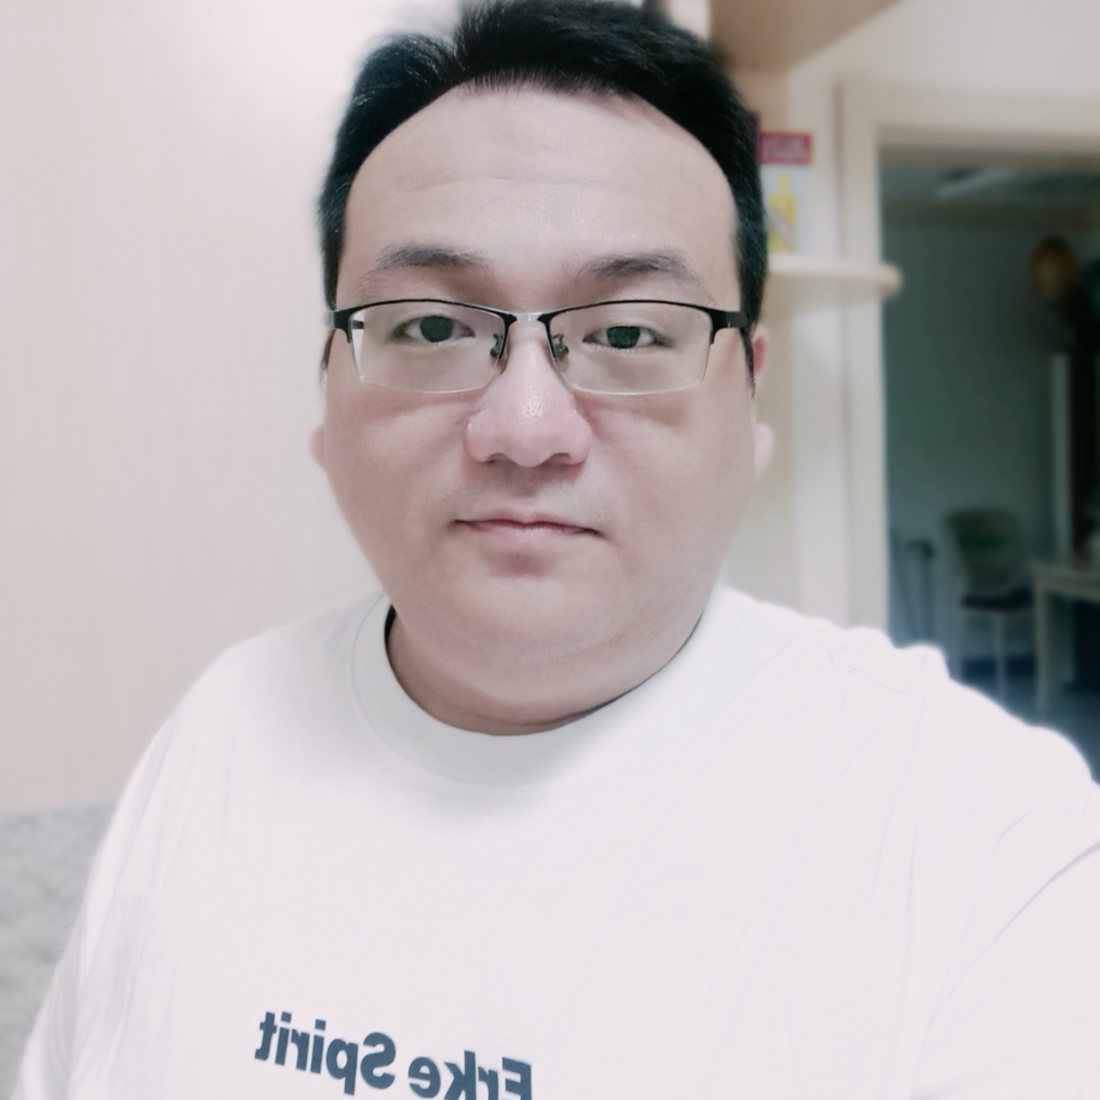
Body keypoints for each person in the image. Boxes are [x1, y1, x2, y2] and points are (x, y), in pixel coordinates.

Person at [15, 1, 1100, 1097]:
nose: (525, 429)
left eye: (627, 332)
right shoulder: (220, 728)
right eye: (431, 327)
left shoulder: (979, 838)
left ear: (750, 400)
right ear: (327, 402)